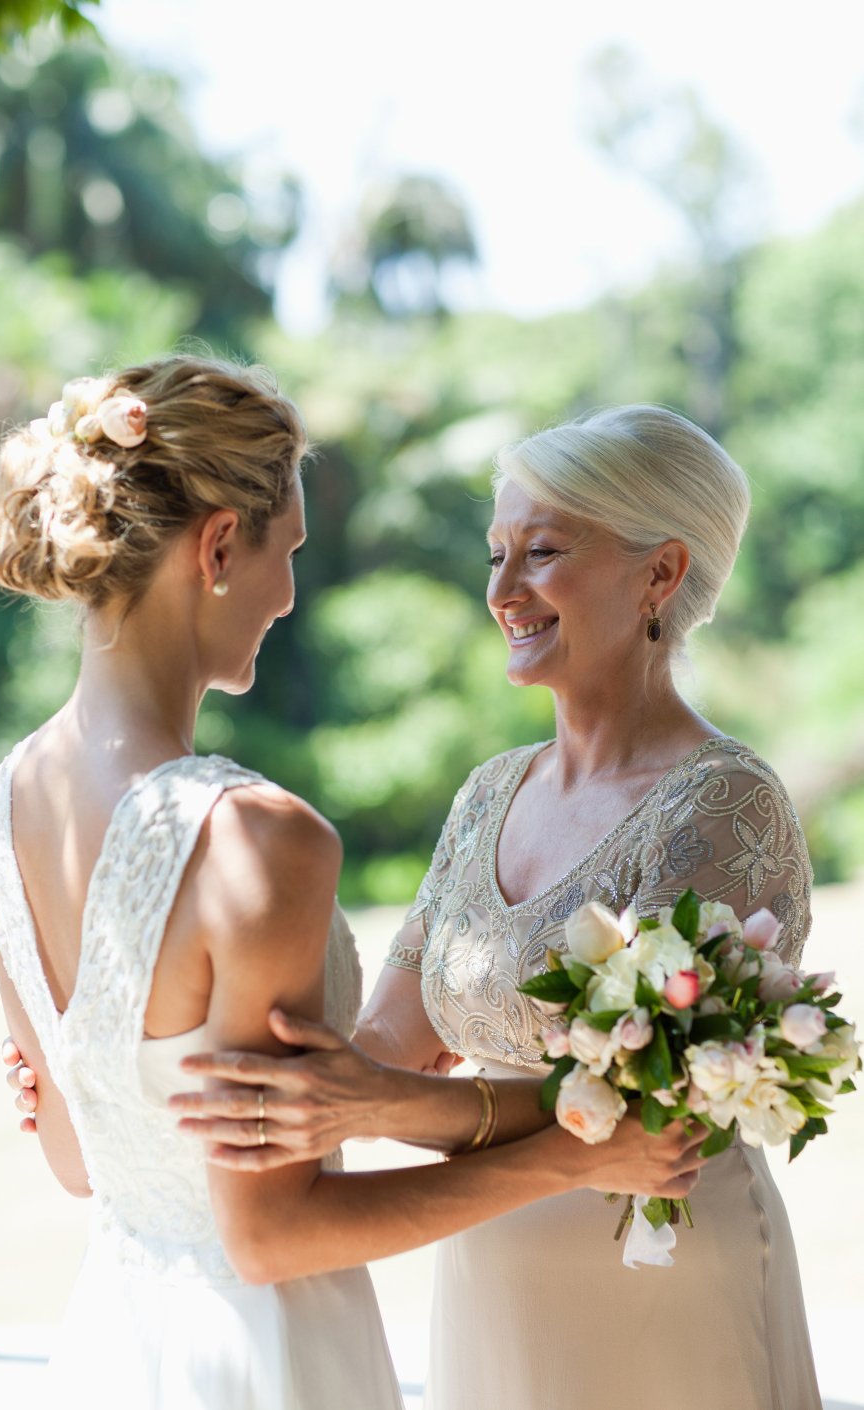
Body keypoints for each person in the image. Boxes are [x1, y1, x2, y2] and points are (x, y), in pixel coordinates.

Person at [0, 360, 702, 1410]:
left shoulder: (7, 803)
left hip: (116, 1346)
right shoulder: (252, 840)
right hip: (263, 1356)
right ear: (220, 546)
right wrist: (578, 1163)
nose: (288, 595)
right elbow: (273, 1237)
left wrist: (84, 1080)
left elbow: (81, 1164)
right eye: (289, 552)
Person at [109, 404, 822, 1410]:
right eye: (495, 555)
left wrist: (388, 1106)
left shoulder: (724, 805)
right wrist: (136, 1054)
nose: (501, 592)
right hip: (485, 1261)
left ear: (659, 574)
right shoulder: (489, 793)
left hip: (660, 1269)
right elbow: (381, 1045)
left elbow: (647, 1105)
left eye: (540, 552)